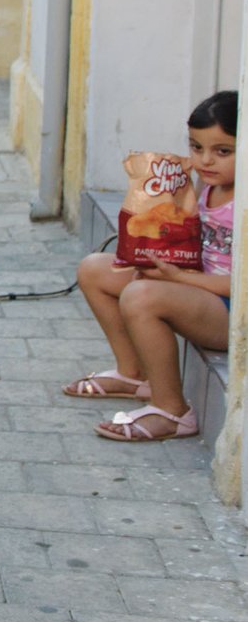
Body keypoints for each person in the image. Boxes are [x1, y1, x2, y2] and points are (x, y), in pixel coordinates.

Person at [66, 91, 236, 440]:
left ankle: (173, 411)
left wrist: (179, 278)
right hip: (197, 287)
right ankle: (133, 374)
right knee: (95, 270)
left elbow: (240, 285)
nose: (205, 160)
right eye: (196, 147)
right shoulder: (207, 186)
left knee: (140, 296)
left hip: (231, 311)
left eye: (223, 151)